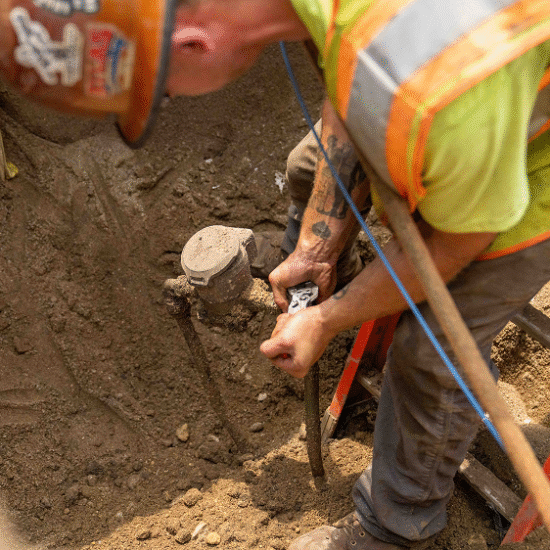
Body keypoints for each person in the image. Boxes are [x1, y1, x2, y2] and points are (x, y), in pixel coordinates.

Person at [2, 1, 550, 549]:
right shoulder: (338, 23)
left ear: (192, 42)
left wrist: (333, 316)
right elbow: (351, 85)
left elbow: (449, 250)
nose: (170, 102)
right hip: (465, 110)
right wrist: (318, 244)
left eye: (162, 92)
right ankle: (333, 291)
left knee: (429, 351)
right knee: (308, 166)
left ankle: (397, 526)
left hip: (525, 168)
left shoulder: (437, 91)